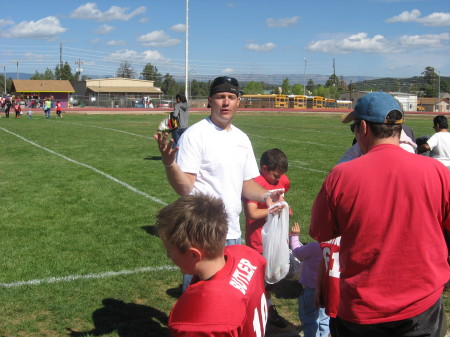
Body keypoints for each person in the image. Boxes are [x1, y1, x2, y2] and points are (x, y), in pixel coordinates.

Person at [309, 92, 450, 337]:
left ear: (363, 127)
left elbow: (321, 232)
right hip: (423, 305)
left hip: (363, 309)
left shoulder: (341, 176)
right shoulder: (437, 171)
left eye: (353, 127)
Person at [154, 76, 284, 292]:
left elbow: (246, 183)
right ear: (210, 101)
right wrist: (170, 165)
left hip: (232, 232)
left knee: (227, 295)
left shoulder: (242, 139)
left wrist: (266, 196)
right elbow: (185, 188)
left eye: (231, 97)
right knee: (198, 299)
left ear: (238, 102)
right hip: (201, 233)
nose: (226, 102)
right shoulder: (195, 135)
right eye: (220, 97)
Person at [156, 193, 268, 337]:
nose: (168, 256)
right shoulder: (246, 255)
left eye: (170, 252)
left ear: (193, 255)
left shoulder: (201, 322)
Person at [242, 148, 290, 328]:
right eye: (275, 176)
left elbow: (283, 192)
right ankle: (257, 311)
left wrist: (284, 208)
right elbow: (252, 213)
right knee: (259, 278)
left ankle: (267, 308)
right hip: (258, 239)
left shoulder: (283, 180)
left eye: (280, 176)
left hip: (277, 237)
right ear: (264, 168)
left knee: (273, 276)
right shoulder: (254, 183)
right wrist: (271, 210)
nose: (278, 180)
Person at [290, 222, 330, 337]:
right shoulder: (337, 248)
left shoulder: (314, 247)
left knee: (309, 318)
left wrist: (294, 236)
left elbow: (297, 252)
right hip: (327, 290)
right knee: (324, 318)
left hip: (310, 290)